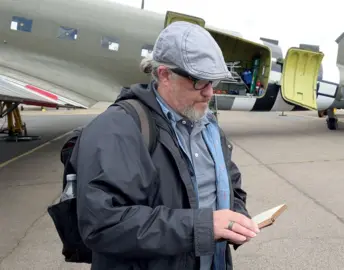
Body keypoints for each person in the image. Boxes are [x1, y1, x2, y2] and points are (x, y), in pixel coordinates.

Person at [75, 21, 259, 270]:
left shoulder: (208, 125)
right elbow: (103, 223)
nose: (209, 93)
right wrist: (204, 227)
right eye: (199, 81)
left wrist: (237, 217)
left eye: (213, 82)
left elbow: (230, 180)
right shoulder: (118, 128)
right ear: (164, 75)